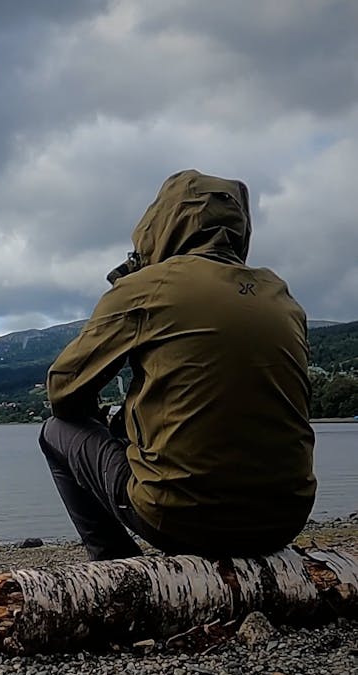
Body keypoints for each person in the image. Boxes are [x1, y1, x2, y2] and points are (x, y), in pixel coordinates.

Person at [39, 170, 316, 560]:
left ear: (161, 223)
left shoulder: (148, 286)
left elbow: (62, 392)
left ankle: (116, 566)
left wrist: (127, 285)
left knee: (55, 430)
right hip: (285, 520)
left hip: (180, 521)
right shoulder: (280, 295)